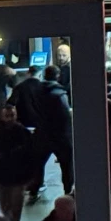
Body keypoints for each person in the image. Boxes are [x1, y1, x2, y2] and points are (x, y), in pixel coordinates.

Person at [31, 66, 74, 197]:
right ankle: (68, 189)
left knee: (38, 162)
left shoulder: (36, 92)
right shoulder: (59, 94)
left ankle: (35, 188)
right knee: (66, 164)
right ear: (57, 76)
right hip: (59, 135)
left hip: (42, 133)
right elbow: (65, 115)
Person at [0, 105, 34, 221]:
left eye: (12, 115)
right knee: (5, 204)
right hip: (1, 173)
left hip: (18, 174)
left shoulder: (22, 132)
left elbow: (30, 154)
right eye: (7, 116)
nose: (10, 119)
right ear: (2, 116)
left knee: (16, 204)